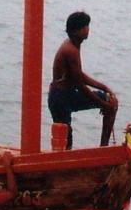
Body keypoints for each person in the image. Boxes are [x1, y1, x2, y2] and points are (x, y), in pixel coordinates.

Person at [48, 11, 119, 149]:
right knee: (66, 140)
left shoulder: (74, 45)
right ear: (76, 31)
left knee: (111, 102)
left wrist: (103, 88)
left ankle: (103, 148)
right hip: (60, 98)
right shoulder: (70, 50)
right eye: (85, 27)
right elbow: (79, 84)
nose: (88, 30)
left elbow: (78, 75)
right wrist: (101, 103)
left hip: (68, 94)